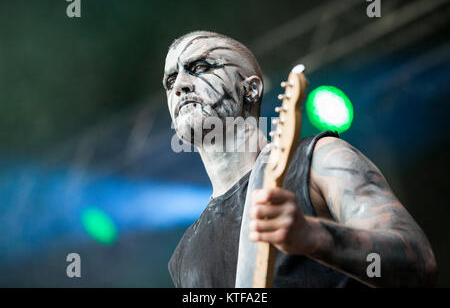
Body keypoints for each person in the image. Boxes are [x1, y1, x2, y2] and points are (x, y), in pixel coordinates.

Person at [162, 30, 437, 287]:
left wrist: (313, 236)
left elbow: (417, 259)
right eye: (171, 81)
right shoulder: (184, 257)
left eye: (200, 68)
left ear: (251, 89)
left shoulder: (321, 159)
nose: (180, 87)